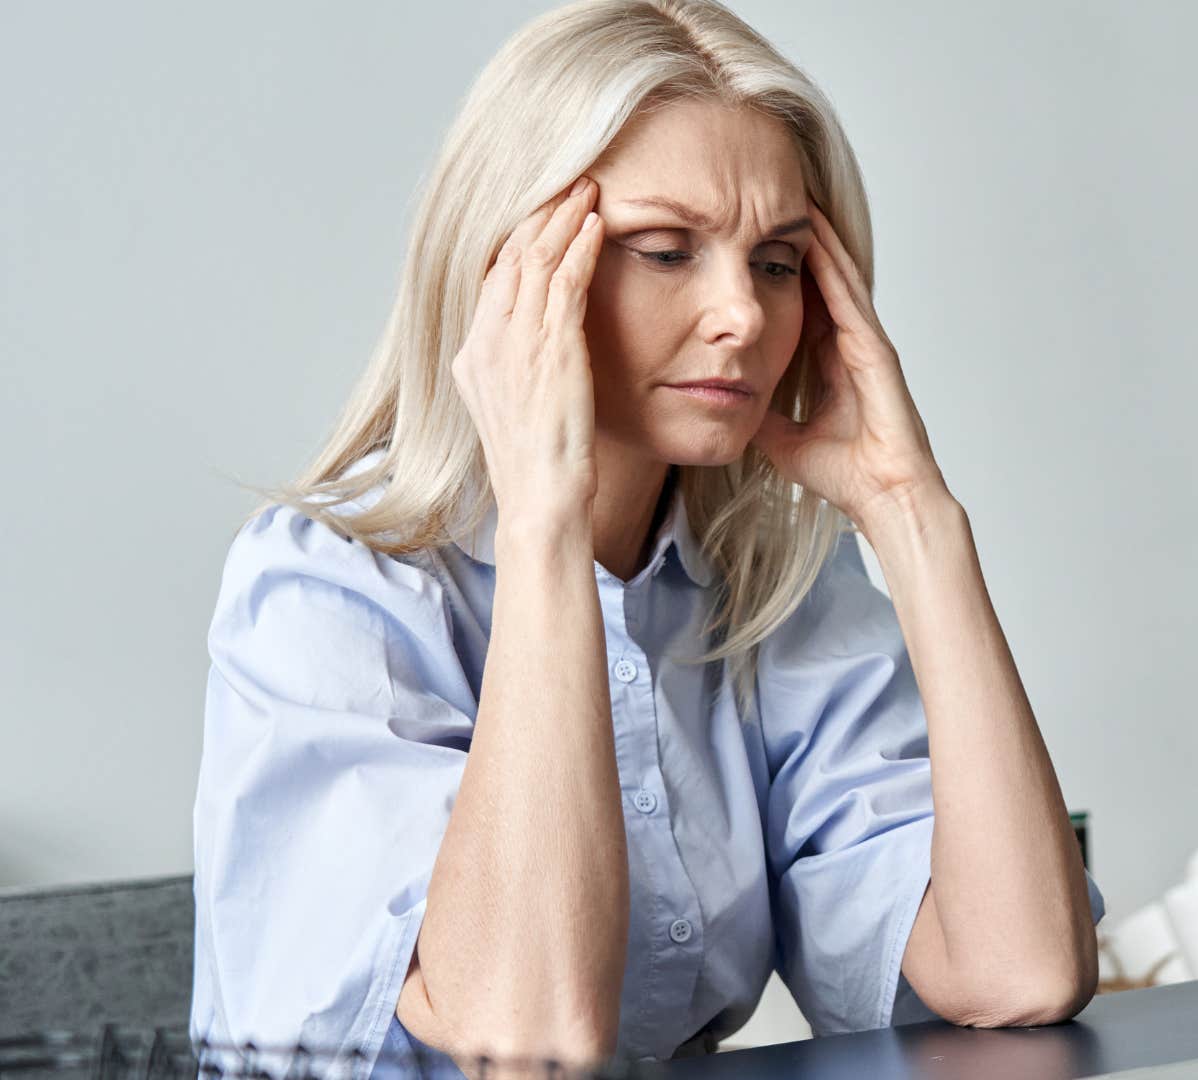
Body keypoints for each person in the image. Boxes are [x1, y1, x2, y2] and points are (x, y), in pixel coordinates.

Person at [188, 2, 1105, 1077]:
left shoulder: (770, 587)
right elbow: (522, 1037)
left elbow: (1018, 974)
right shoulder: (321, 591)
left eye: (775, 263)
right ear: (508, 272)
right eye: (666, 251)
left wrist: (914, 515)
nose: (744, 318)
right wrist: (543, 525)